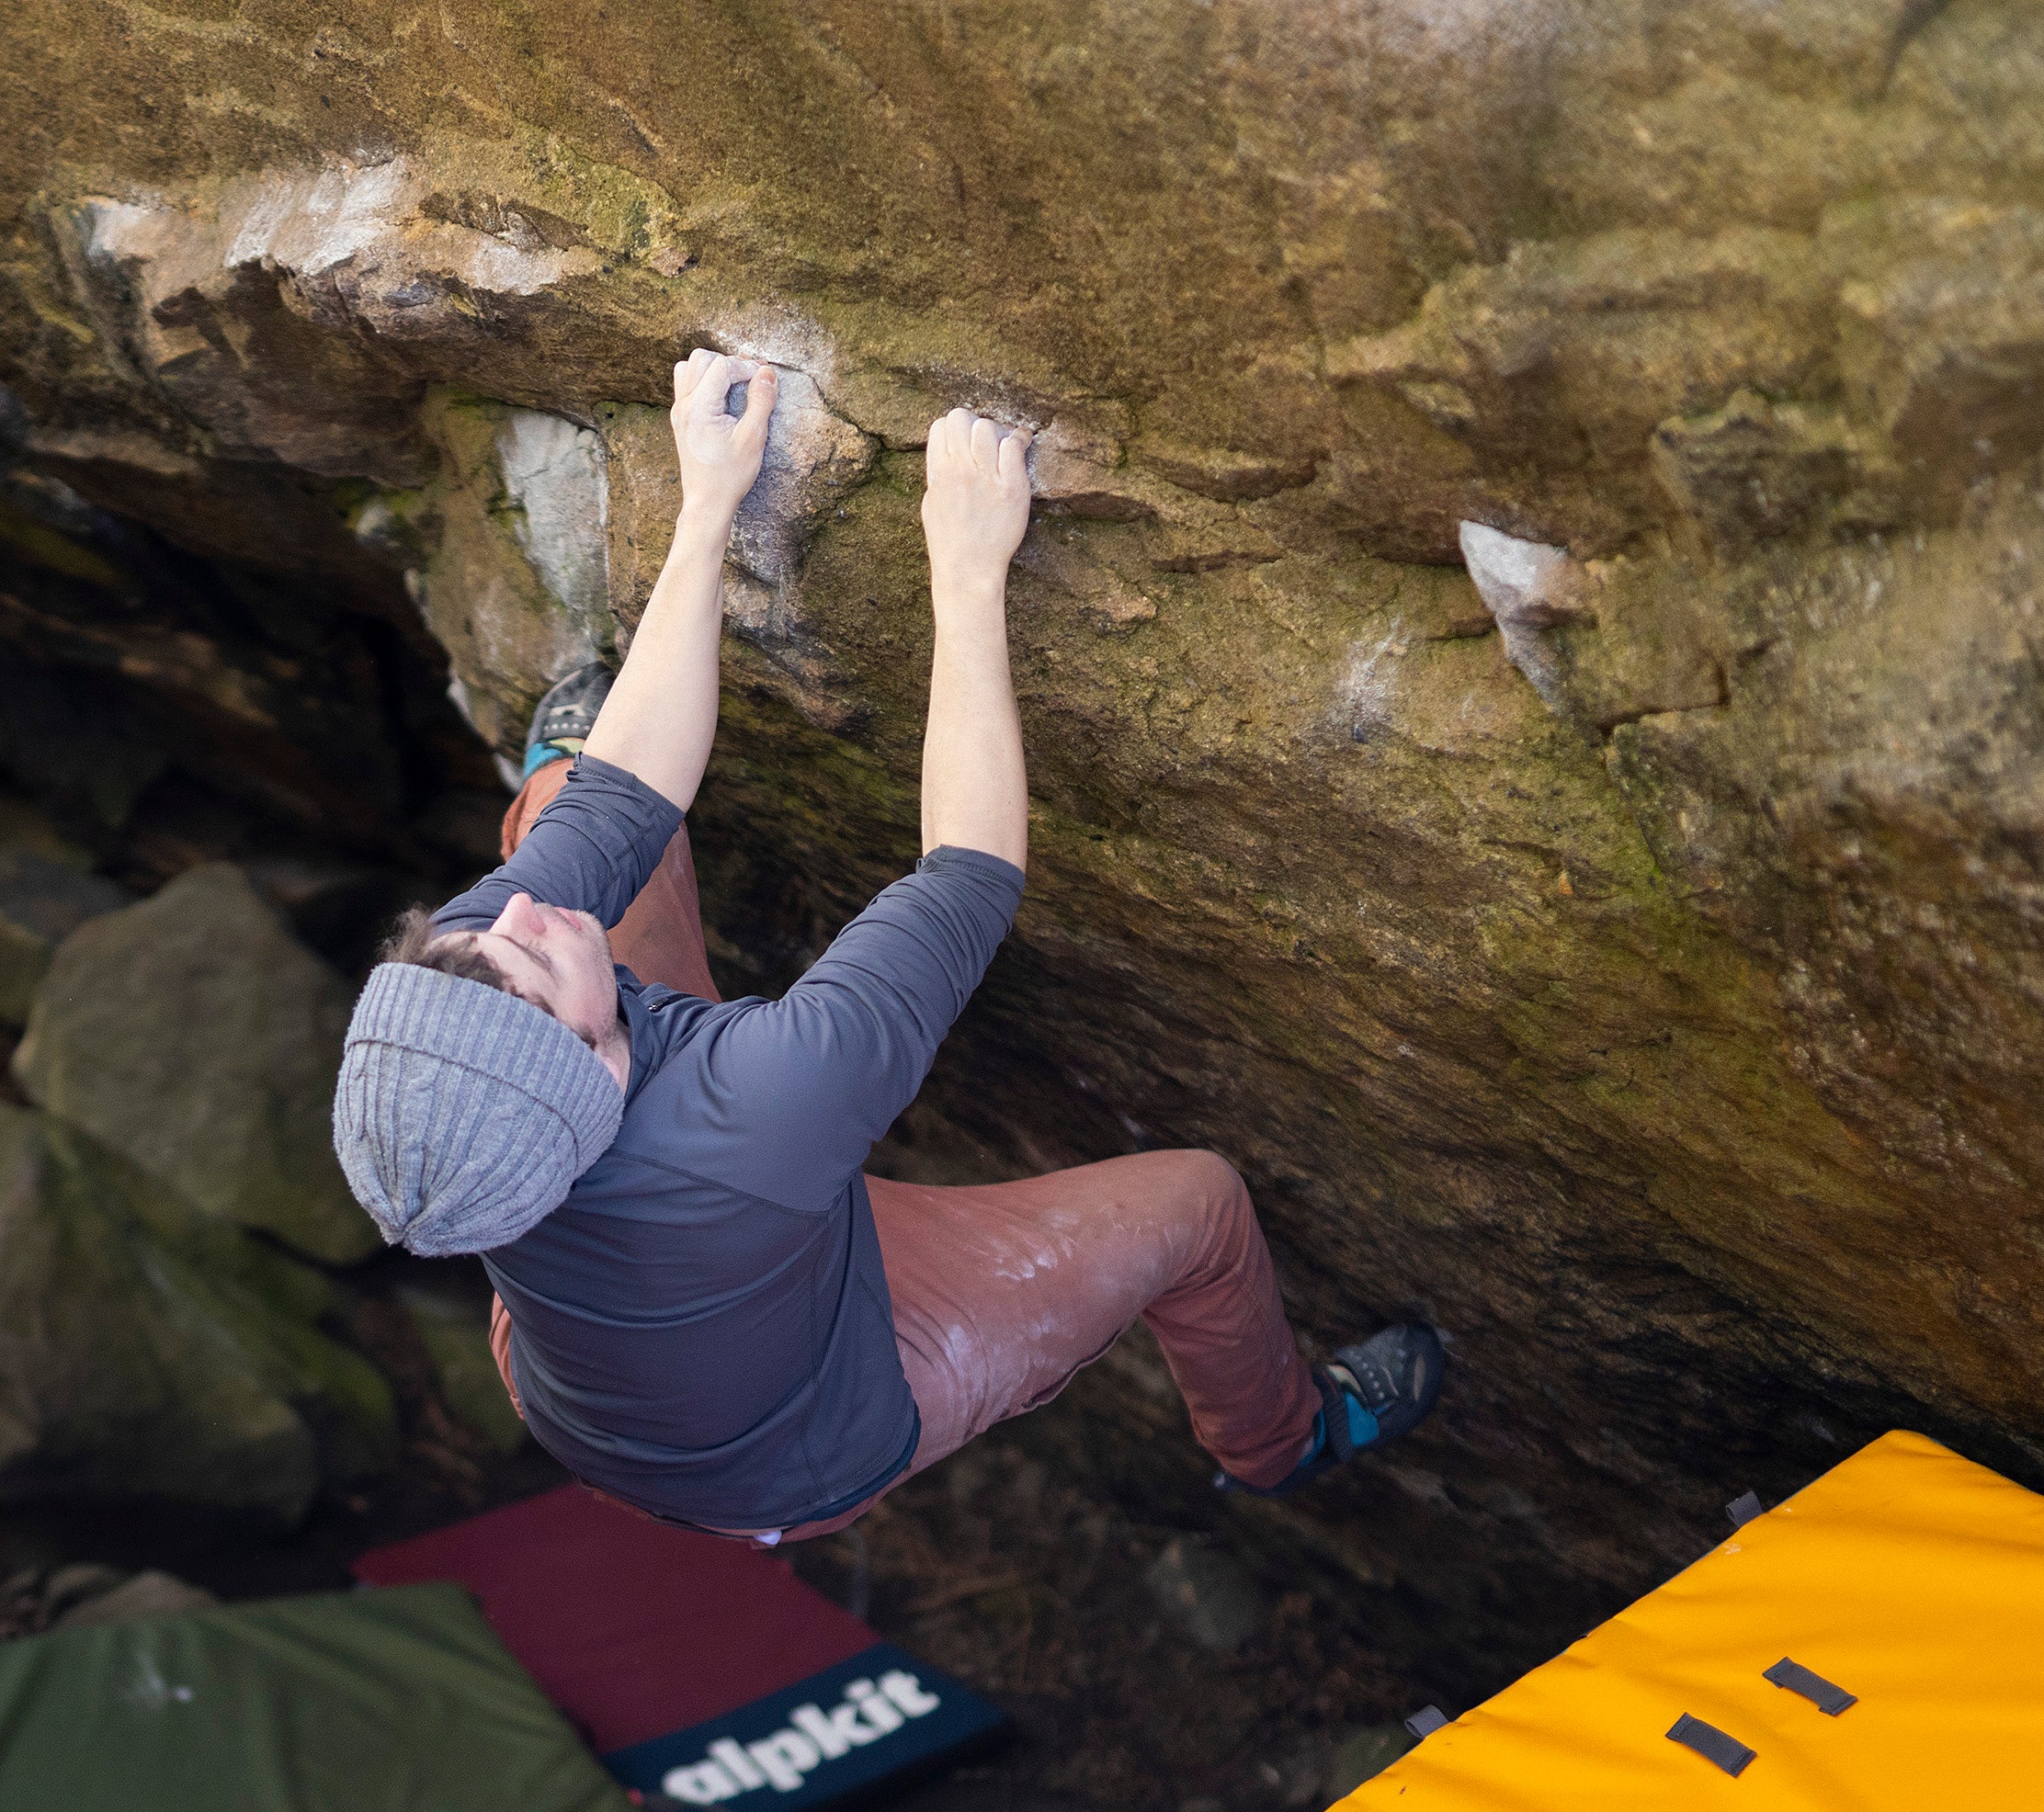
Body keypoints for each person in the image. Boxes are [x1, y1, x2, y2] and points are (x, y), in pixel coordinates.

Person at [331, 349, 1443, 1545]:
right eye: (534, 961)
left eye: (482, 941)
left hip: (588, 1372)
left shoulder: (455, 1047)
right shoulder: (758, 1111)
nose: (519, 917)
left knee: (581, 810)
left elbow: (621, 809)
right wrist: (967, 571)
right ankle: (1285, 1442)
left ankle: (546, 755)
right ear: (574, 1071)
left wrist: (707, 500)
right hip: (801, 1435)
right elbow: (967, 877)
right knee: (1200, 1204)